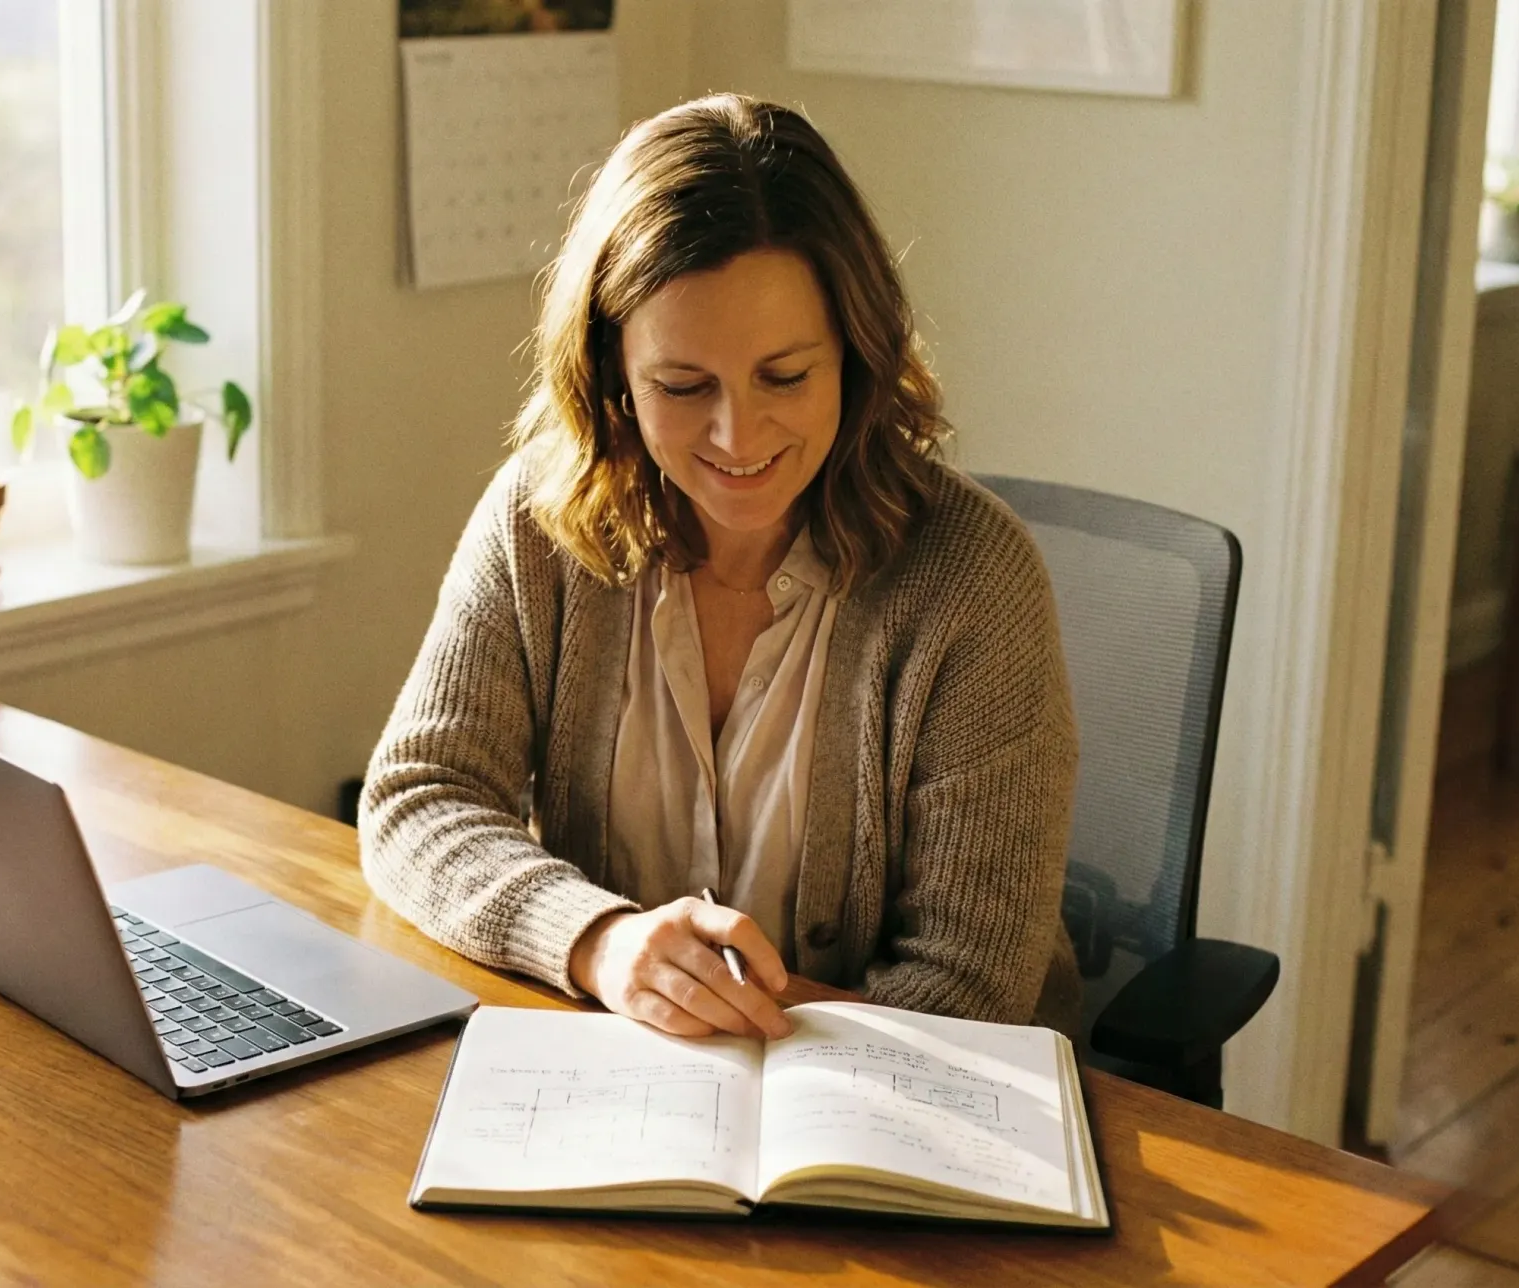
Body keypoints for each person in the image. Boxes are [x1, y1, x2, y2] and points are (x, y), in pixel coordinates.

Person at [361, 94, 1080, 1043]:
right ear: (613, 374)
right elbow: (420, 794)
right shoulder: (543, 522)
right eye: (683, 386)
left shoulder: (974, 581)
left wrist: (703, 1005)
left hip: (894, 1114)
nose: (737, 438)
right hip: (628, 1079)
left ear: (857, 359)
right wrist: (601, 943)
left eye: (785, 376)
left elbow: (968, 993)